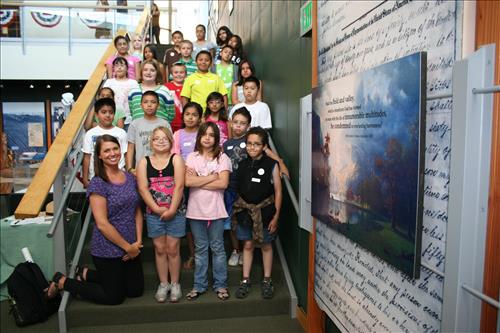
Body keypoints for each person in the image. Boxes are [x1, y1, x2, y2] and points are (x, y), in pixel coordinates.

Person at [47, 135, 144, 305]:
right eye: (106, 150)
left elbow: (136, 211)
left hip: (131, 245)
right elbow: (102, 223)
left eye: (115, 148)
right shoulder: (98, 183)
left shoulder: (130, 178)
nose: (112, 153)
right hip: (108, 247)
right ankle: (63, 282)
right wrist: (127, 247)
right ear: (99, 155)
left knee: (135, 291)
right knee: (114, 297)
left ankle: (85, 273)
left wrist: (137, 243)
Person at [224, 109, 289, 267]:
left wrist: (281, 164)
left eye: (242, 123)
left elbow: (271, 156)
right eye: (235, 122)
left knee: (252, 230)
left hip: (250, 190)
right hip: (231, 188)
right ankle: (236, 250)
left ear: (248, 126)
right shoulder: (226, 144)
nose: (238, 126)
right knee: (233, 223)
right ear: (230, 123)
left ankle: (251, 248)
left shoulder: (252, 140)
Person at [137, 126, 185, 303]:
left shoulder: (176, 159)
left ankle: (175, 283)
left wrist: (172, 209)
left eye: (165, 138)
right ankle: (163, 284)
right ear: (151, 142)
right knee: (159, 248)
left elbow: (179, 186)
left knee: (173, 248)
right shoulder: (144, 162)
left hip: (176, 211)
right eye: (156, 138)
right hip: (153, 213)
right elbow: (142, 188)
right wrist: (156, 209)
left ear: (171, 141)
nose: (161, 141)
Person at [233, 127, 282, 300]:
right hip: (246, 214)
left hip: (266, 213)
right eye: (249, 144)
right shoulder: (242, 164)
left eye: (257, 144)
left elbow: (278, 191)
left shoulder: (271, 165)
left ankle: (267, 280)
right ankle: (245, 280)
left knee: (266, 245)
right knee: (247, 244)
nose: (252, 147)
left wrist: (276, 216)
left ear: (264, 146)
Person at [184, 122, 231, 301]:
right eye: (204, 134)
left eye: (212, 135)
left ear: (216, 138)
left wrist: (200, 179)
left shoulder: (223, 158)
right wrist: (212, 177)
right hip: (195, 211)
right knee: (201, 249)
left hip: (216, 211)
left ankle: (221, 285)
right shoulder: (191, 157)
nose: (207, 137)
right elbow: (188, 182)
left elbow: (223, 184)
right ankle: (199, 286)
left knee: (218, 248)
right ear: (199, 137)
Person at [172, 102, 203, 270]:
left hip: (202, 182)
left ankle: (205, 255)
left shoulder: (203, 134)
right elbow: (175, 157)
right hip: (183, 182)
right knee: (190, 221)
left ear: (200, 118)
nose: (190, 117)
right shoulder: (178, 134)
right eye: (187, 114)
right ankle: (193, 255)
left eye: (194, 115)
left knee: (202, 220)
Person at [82, 98, 128, 188]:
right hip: (96, 177)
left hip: (119, 177)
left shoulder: (121, 133)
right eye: (103, 112)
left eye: (111, 112)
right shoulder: (90, 134)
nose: (108, 115)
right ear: (96, 115)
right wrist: (85, 179)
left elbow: (126, 155)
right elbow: (87, 157)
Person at [126, 91, 171, 172]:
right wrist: (129, 169)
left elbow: (170, 146)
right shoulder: (135, 124)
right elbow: (130, 147)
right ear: (141, 105)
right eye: (145, 102)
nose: (149, 105)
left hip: (161, 168)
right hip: (140, 169)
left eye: (153, 102)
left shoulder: (164, 124)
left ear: (158, 105)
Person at [128, 59, 175, 123]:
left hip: (159, 129)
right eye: (145, 70)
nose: (148, 73)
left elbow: (171, 114)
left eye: (152, 70)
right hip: (139, 130)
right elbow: (132, 111)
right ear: (141, 72)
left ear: (157, 73)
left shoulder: (164, 91)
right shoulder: (133, 90)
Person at [102, 57, 139, 130]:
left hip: (129, 120)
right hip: (112, 119)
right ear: (113, 69)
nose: (119, 68)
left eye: (122, 65)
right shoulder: (109, 82)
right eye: (116, 65)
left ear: (127, 68)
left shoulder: (133, 83)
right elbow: (103, 100)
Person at [165, 63, 187, 133]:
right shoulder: (166, 87)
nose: (179, 74)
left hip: (185, 122)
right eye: (176, 72)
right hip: (169, 122)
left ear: (186, 74)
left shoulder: (188, 87)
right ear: (171, 74)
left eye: (181, 72)